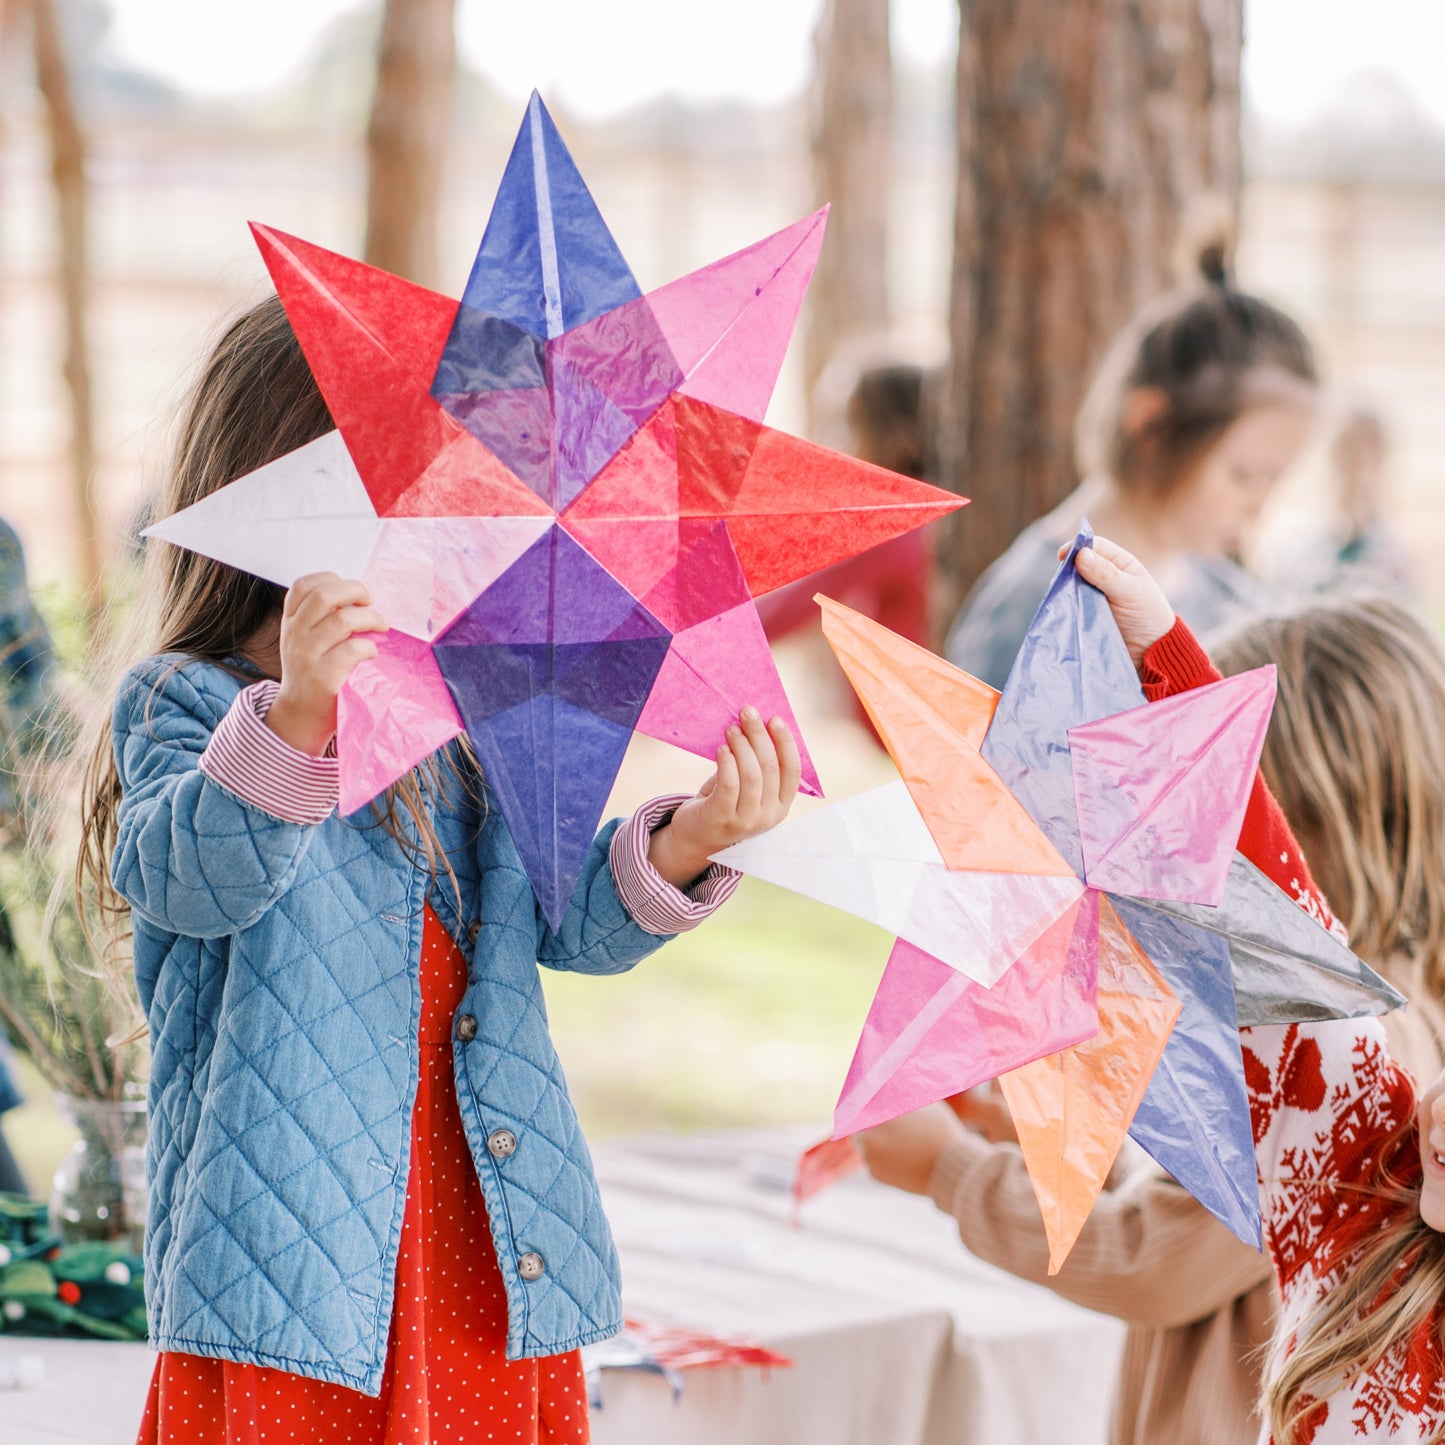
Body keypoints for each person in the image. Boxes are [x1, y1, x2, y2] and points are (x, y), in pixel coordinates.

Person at [74, 295, 803, 1445]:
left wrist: (687, 840)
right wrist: (302, 713)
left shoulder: (471, 703)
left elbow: (562, 917)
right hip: (296, 1261)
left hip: (481, 1238)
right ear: (285, 487)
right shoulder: (186, 702)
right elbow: (194, 882)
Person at [861, 572, 1445, 1442]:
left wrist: (951, 1170)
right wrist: (1168, 655)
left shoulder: (1342, 1059)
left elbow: (1153, 1259)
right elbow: (1204, 1201)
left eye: (1186, 815)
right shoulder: (1350, 1051)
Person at [946, 237, 1317, 690]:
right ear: (1150, 426)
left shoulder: (1237, 604)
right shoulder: (1029, 609)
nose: (1258, 507)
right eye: (1243, 475)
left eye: (1274, 480)